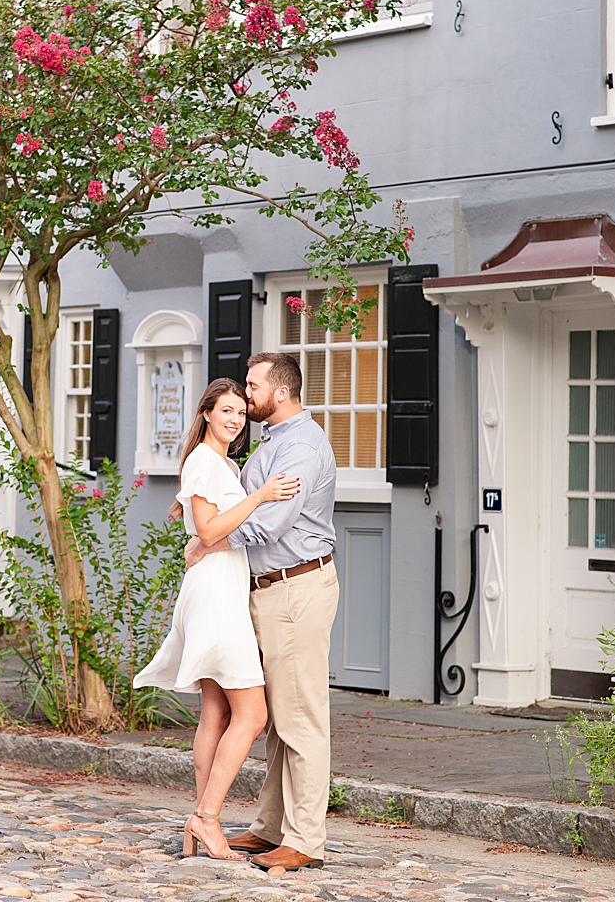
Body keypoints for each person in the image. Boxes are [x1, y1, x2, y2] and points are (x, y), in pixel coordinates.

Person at [135, 377, 300, 860]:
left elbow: (208, 534)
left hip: (219, 586)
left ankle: (205, 821)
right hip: (214, 596)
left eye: (240, 412)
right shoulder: (204, 462)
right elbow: (208, 528)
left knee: (217, 710)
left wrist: (210, 535)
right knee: (253, 714)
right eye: (225, 410)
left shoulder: (225, 464)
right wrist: (262, 496)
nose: (234, 419)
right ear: (206, 413)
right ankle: (205, 818)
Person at [187, 351, 339, 873]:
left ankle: (305, 839)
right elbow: (236, 498)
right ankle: (271, 826)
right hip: (266, 589)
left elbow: (270, 523)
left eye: (252, 386)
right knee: (275, 718)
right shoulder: (273, 442)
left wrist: (211, 540)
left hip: (296, 588)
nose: (244, 395)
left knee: (301, 719)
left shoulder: (301, 447)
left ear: (279, 392)